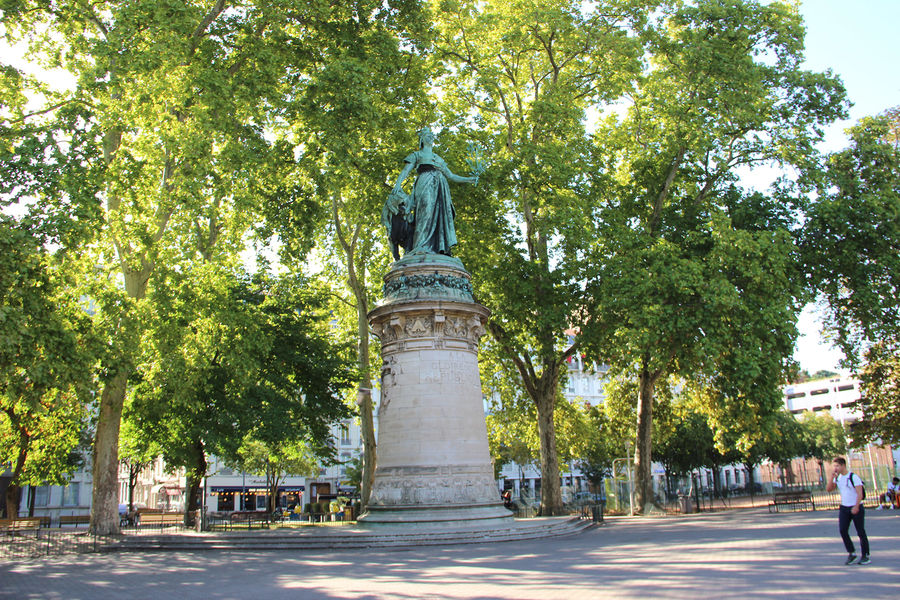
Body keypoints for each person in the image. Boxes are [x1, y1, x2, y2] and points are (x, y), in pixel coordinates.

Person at [389, 127, 477, 256]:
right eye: (427, 135)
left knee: (439, 214)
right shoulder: (417, 155)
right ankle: (420, 246)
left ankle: (436, 247)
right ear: (422, 139)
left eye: (432, 135)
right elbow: (405, 171)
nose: (430, 137)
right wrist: (397, 185)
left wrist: (469, 179)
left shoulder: (438, 158)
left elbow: (451, 176)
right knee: (425, 211)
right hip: (424, 182)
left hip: (440, 186)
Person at [826, 456, 870, 565]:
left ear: (843, 465)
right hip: (844, 507)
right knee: (843, 530)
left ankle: (866, 555)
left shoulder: (853, 477)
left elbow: (859, 493)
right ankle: (852, 553)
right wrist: (831, 478)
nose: (835, 468)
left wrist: (856, 506)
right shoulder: (838, 478)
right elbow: (829, 489)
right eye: (834, 466)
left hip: (856, 507)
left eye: (837, 466)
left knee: (860, 532)